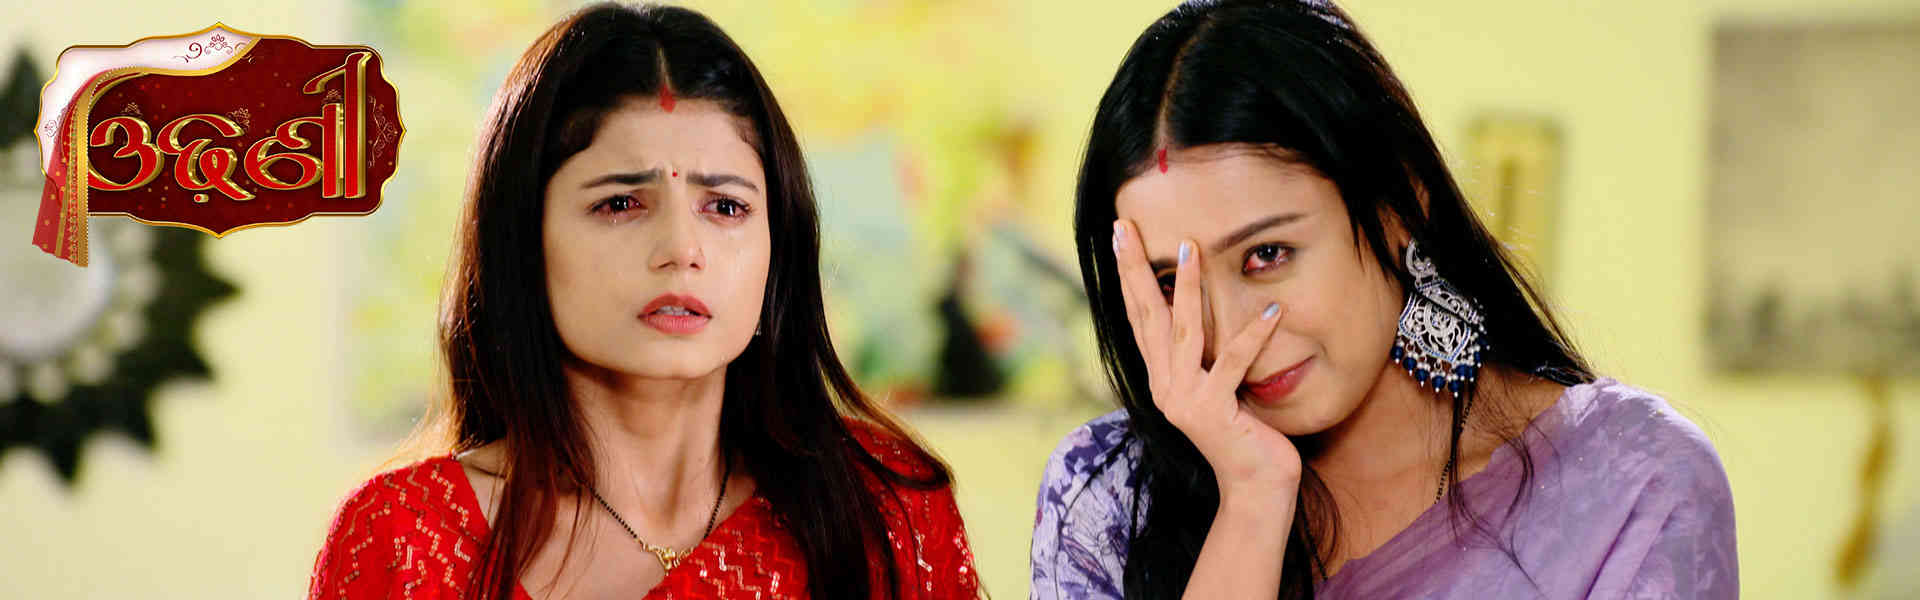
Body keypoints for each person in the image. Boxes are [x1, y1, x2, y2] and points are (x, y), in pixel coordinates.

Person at [1029, 1, 1736, 598]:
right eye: (1170, 282)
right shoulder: (1106, 500)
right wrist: (1250, 501)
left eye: (1266, 255)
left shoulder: (1629, 486)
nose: (1229, 334)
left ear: (1400, 205)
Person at [306, 4, 980, 598]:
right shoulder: (404, 540)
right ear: (522, 240)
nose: (682, 249)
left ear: (780, 246)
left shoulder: (885, 515)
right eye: (622, 204)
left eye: (725, 206)